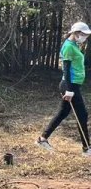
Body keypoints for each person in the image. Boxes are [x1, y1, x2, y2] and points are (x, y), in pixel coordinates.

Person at [37, 22, 91, 155]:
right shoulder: (68, 46)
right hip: (70, 85)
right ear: (76, 32)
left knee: (62, 113)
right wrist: (69, 89)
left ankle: (42, 139)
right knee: (82, 115)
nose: (85, 37)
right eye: (83, 35)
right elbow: (66, 69)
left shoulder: (74, 45)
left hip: (73, 85)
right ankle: (86, 148)